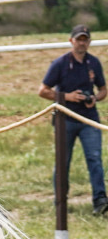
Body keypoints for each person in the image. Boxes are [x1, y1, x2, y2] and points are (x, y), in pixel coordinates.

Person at [38, 24, 108, 215]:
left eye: (85, 39)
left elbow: (103, 90)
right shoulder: (60, 63)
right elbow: (43, 90)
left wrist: (94, 98)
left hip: (89, 119)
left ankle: (100, 201)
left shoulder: (94, 63)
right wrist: (67, 97)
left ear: (89, 42)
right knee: (63, 161)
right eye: (79, 39)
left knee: (95, 159)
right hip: (65, 119)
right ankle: (60, 201)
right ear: (71, 41)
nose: (82, 43)